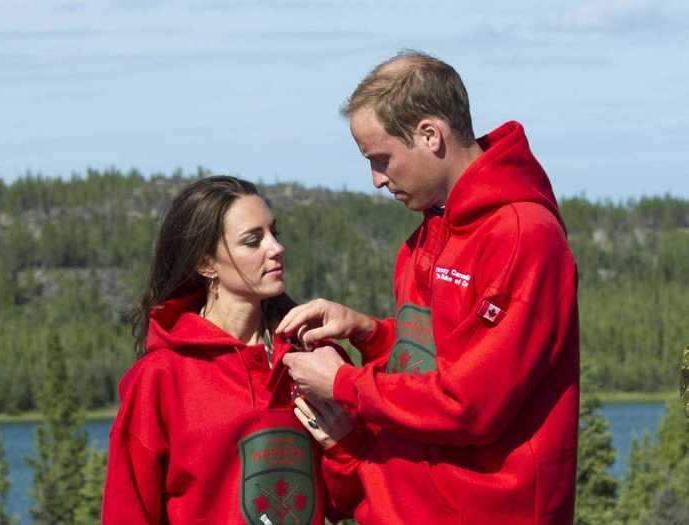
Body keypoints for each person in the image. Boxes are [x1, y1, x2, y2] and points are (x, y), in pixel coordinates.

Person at [279, 51, 580, 524]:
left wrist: (341, 382)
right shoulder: (425, 236)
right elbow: (435, 360)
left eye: (381, 159)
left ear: (430, 135)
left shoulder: (522, 236)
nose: (377, 180)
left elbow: (471, 405)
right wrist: (368, 332)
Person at [102, 176, 361, 524]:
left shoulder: (316, 361)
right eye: (253, 241)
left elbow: (347, 502)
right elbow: (128, 513)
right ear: (206, 264)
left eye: (274, 233)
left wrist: (344, 448)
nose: (276, 248)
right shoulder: (161, 378)